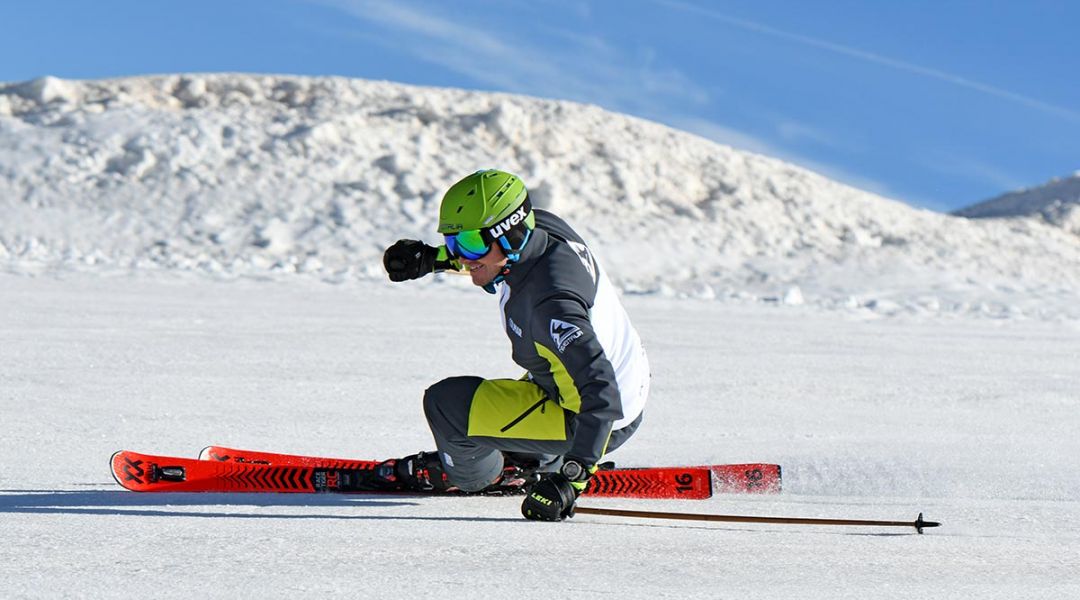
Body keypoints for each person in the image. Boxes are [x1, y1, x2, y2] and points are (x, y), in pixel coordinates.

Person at [380, 169, 650, 521]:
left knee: (447, 406)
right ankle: (532, 456)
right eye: (452, 242)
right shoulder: (543, 232)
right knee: (535, 370)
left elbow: (601, 389)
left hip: (592, 417)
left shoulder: (552, 305)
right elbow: (494, 258)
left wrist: (573, 479)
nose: (460, 255)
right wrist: (432, 260)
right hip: (607, 388)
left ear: (509, 235)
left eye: (470, 244)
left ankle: (476, 475)